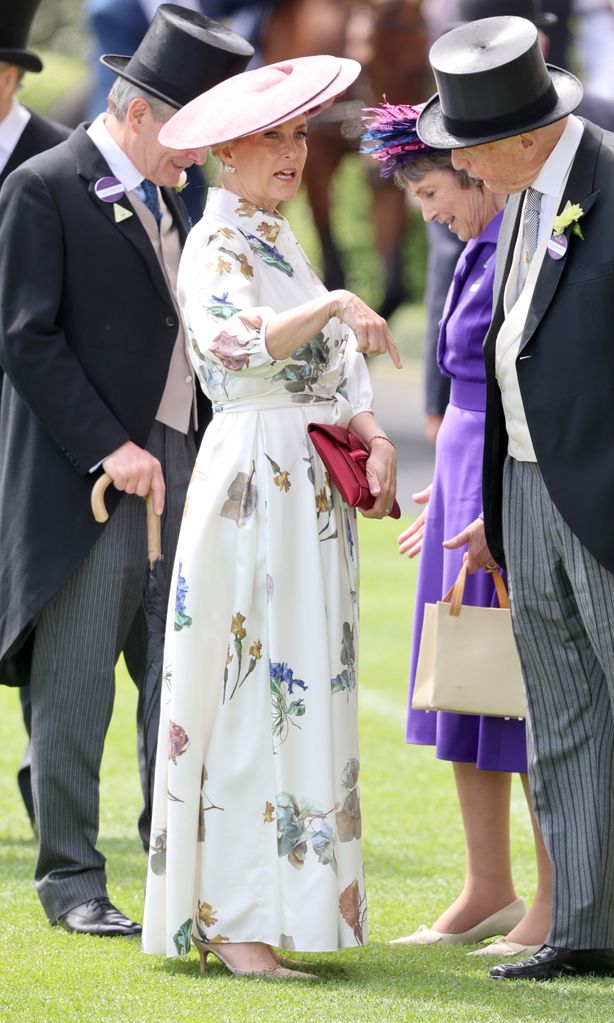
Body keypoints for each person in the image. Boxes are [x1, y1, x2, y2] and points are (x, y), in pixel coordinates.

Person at [141, 55, 400, 978]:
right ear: (225, 152)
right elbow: (230, 339)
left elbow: (337, 362)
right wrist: (332, 300)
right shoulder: (218, 240)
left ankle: (284, 909)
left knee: (300, 687)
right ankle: (237, 923)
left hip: (306, 483)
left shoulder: (279, 236)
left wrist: (373, 433)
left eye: (298, 135)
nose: (292, 153)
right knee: (255, 686)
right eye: (272, 137)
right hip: (253, 474)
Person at [0, 4, 254, 937]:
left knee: (174, 679)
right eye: (187, 140)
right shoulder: (43, 185)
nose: (194, 162)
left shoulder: (169, 195)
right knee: (72, 694)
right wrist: (112, 448)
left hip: (181, 467)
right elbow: (25, 342)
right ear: (136, 110)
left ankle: (169, 872)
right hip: (88, 482)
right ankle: (71, 879)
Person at [418, 13, 614, 980]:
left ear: (520, 140)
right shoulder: (523, 194)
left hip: (604, 492)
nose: (462, 176)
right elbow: (506, 360)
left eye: (468, 155)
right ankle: (586, 927)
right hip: (526, 494)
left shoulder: (607, 180)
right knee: (564, 713)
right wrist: (495, 506)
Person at [362, 101, 552, 957]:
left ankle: (557, 895)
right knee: (462, 682)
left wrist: (490, 498)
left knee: (529, 695)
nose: (428, 211)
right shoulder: (472, 244)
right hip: (466, 477)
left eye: (433, 191)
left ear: (474, 171)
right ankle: (488, 887)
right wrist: (448, 484)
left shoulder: (521, 242)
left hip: (511, 481)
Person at [0, 0, 70, 831]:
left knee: (32, 598)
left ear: (10, 76)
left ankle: (37, 764)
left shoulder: (61, 161)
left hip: (34, 419)